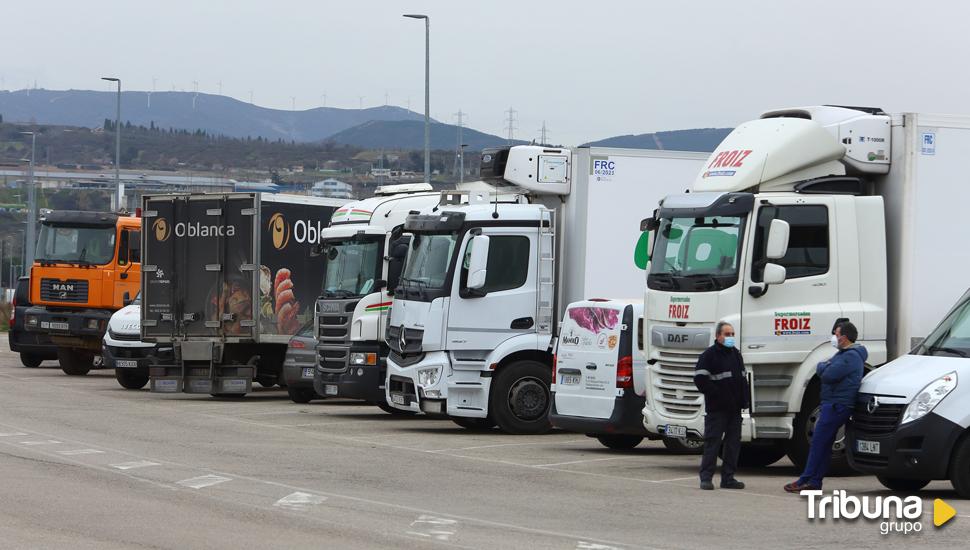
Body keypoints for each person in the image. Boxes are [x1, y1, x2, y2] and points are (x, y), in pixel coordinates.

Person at [784, 321, 867, 493]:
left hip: (836, 405)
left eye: (836, 334)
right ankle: (815, 482)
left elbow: (827, 374)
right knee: (824, 444)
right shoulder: (845, 354)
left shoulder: (849, 356)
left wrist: (823, 366)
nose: (834, 337)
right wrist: (825, 366)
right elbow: (826, 368)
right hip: (834, 404)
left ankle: (805, 480)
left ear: (844, 337)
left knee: (818, 444)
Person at [694, 321, 749, 490]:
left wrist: (744, 400)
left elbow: (742, 379)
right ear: (718, 336)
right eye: (727, 334)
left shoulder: (736, 354)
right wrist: (718, 396)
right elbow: (700, 380)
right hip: (717, 410)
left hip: (734, 410)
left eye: (732, 334)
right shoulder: (709, 355)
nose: (730, 337)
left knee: (733, 445)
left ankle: (728, 478)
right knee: (713, 443)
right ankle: (706, 478)